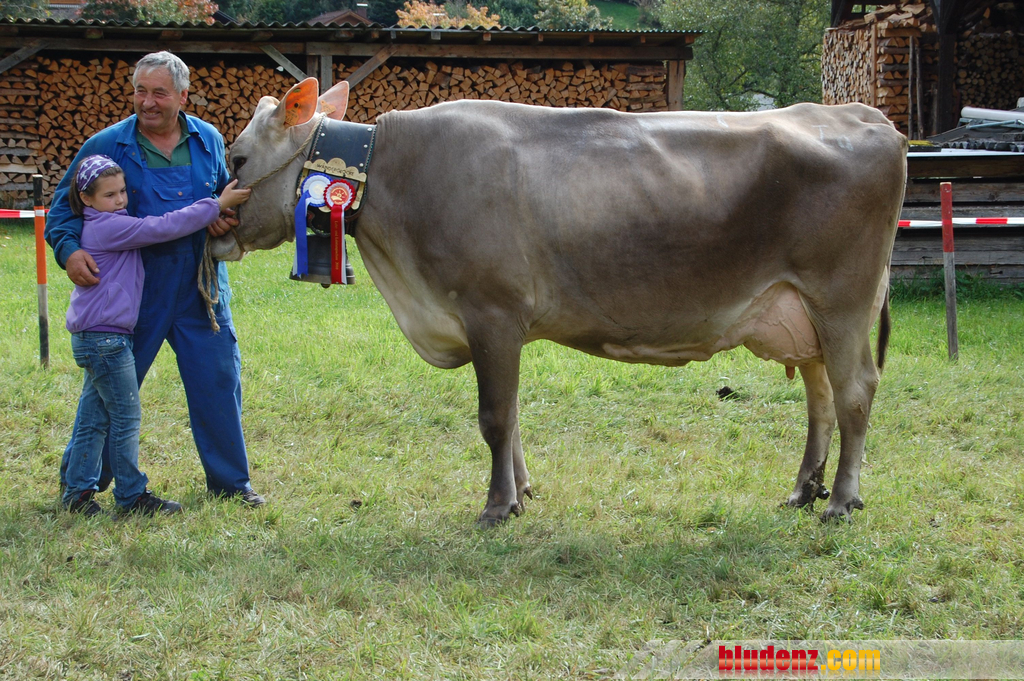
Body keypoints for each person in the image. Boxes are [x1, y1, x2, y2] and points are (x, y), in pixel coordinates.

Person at [46, 51, 266, 507]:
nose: (147, 102)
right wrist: (69, 251)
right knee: (109, 395)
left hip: (201, 289)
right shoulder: (106, 145)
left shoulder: (207, 139)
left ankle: (231, 484)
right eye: (140, 91)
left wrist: (222, 219)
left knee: (218, 380)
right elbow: (63, 210)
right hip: (131, 292)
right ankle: (82, 485)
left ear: (183, 96)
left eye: (159, 93)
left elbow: (223, 199)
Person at [62, 155, 251, 516]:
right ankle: (131, 496)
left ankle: (77, 492)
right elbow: (164, 226)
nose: (120, 200)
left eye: (122, 192)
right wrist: (217, 205)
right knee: (124, 418)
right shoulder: (110, 227)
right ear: (86, 199)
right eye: (109, 195)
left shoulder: (102, 221)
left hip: (94, 337)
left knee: (96, 417)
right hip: (107, 341)